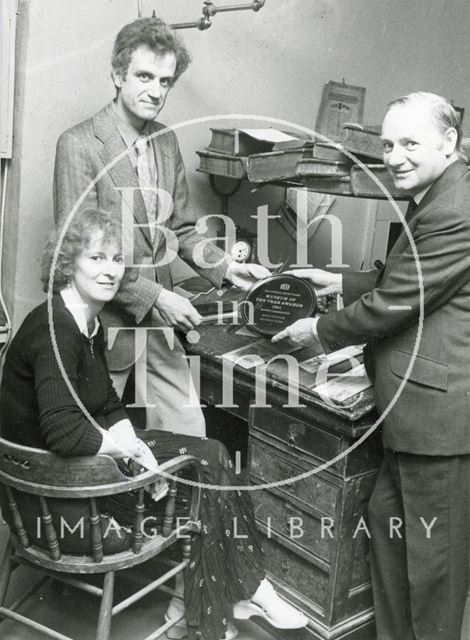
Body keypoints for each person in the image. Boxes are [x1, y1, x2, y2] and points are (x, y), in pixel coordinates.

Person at [0, 208, 307, 640]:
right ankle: (214, 606)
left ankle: (219, 599)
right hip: (54, 498)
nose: (110, 272)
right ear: (66, 264)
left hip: (72, 473)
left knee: (211, 456)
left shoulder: (85, 320)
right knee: (203, 487)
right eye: (96, 259)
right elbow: (65, 433)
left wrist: (131, 441)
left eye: (116, 260)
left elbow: (105, 399)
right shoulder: (56, 329)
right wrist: (131, 452)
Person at [272, 92, 470, 640]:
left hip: (437, 421)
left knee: (434, 572)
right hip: (410, 414)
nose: (395, 157)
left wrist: (317, 330)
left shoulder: (458, 207)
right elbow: (410, 277)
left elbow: (398, 302)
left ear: (448, 142)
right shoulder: (436, 191)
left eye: (410, 143)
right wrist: (339, 282)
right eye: (387, 144)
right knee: (387, 530)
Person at [53, 17, 269, 437]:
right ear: (117, 74)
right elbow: (78, 254)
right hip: (104, 323)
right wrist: (157, 298)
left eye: (166, 81)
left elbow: (182, 229)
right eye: (144, 76)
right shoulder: (78, 144)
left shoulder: (167, 142)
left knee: (190, 439)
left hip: (160, 325)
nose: (155, 91)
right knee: (94, 443)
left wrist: (226, 268)